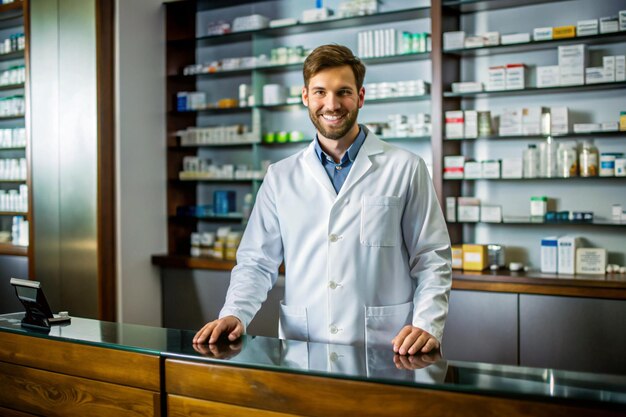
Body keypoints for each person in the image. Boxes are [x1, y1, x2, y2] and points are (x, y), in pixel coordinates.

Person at [194, 44, 451, 356]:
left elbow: (431, 257)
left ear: (361, 97)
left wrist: (427, 323)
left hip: (388, 347)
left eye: (343, 91)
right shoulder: (281, 176)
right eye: (320, 92)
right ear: (305, 96)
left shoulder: (405, 167)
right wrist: (234, 312)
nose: (332, 104)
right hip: (305, 342)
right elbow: (256, 262)